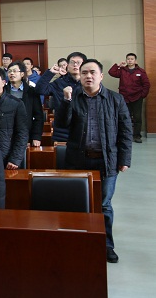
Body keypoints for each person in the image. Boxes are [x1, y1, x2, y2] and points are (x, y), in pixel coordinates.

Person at [55, 59, 132, 264]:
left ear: (101, 76)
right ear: (79, 76)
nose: (88, 76)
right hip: (77, 160)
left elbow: (126, 131)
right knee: (77, 203)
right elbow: (61, 124)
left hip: (106, 160)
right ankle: (80, 241)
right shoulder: (73, 97)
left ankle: (106, 245)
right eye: (84, 73)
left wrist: (124, 159)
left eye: (92, 72)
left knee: (104, 205)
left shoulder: (115, 99)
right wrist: (66, 101)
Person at [35, 51, 87, 142]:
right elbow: (40, 90)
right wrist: (50, 73)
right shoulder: (60, 82)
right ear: (67, 65)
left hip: (83, 130)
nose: (75, 65)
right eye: (72, 62)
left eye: (78, 62)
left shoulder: (89, 83)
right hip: (62, 131)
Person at [108, 53, 150, 143]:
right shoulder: (122, 70)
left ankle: (137, 136)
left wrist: (142, 95)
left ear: (135, 61)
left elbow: (146, 84)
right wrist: (118, 66)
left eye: (132, 59)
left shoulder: (141, 72)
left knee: (137, 118)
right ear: (126, 60)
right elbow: (111, 72)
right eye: (128, 59)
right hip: (125, 98)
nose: (130, 60)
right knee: (125, 117)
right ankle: (125, 136)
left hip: (137, 98)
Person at [5, 61, 43, 147]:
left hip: (26, 133)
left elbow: (38, 116)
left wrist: (36, 136)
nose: (11, 73)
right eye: (9, 71)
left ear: (22, 74)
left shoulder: (31, 92)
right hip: (6, 134)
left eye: (14, 71)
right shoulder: (3, 91)